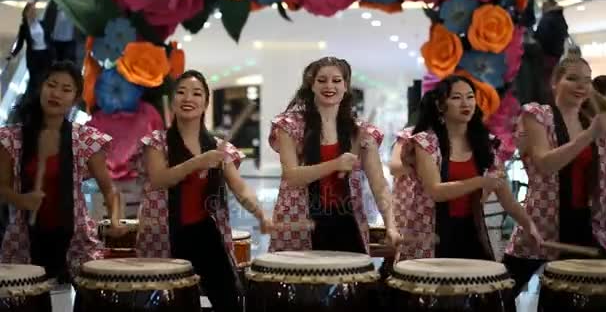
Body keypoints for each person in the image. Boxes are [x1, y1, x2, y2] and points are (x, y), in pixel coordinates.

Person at [137, 70, 272, 312]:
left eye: (196, 93)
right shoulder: (156, 142)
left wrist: (261, 214)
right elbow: (159, 179)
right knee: (169, 302)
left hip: (206, 232)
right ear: (173, 100)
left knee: (229, 300)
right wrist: (197, 162)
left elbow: (239, 187)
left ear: (206, 103)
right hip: (165, 232)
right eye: (181, 92)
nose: (188, 98)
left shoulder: (219, 147)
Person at [0, 61, 124, 282]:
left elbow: (109, 189)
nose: (56, 93)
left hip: (77, 239)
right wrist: (22, 200)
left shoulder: (83, 139)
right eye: (52, 85)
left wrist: (115, 219)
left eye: (66, 89)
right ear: (41, 88)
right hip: (24, 240)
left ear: (75, 99)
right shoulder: (12, 138)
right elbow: (2, 188)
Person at [398, 75, 542, 260]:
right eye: (456, 98)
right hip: (432, 232)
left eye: (470, 97)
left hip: (471, 230)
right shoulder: (426, 142)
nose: (466, 103)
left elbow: (508, 201)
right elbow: (436, 191)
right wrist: (481, 181)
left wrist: (529, 225)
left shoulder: (486, 146)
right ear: (441, 105)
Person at [268, 56, 400, 254]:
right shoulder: (290, 126)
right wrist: (335, 164)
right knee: (301, 282)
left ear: (346, 86)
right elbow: (292, 176)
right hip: (298, 219)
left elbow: (379, 184)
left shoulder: (362, 132)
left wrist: (391, 224)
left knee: (348, 281)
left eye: (337, 81)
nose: (329, 86)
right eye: (322, 80)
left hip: (347, 219)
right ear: (311, 85)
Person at [503, 56, 606, 295]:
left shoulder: (592, 122)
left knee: (574, 297)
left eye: (587, 81)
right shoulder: (537, 114)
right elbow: (545, 164)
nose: (582, 86)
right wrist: (590, 134)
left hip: (587, 223)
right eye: (572, 78)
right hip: (542, 220)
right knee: (502, 292)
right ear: (555, 82)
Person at [8, 3, 55, 89]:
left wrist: (53, 52)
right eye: (32, 10)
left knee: (46, 78)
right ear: (26, 13)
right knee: (35, 81)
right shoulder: (24, 28)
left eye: (35, 10)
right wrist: (13, 54)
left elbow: (49, 39)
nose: (34, 12)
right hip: (33, 56)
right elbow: (20, 43)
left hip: (45, 54)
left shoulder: (41, 23)